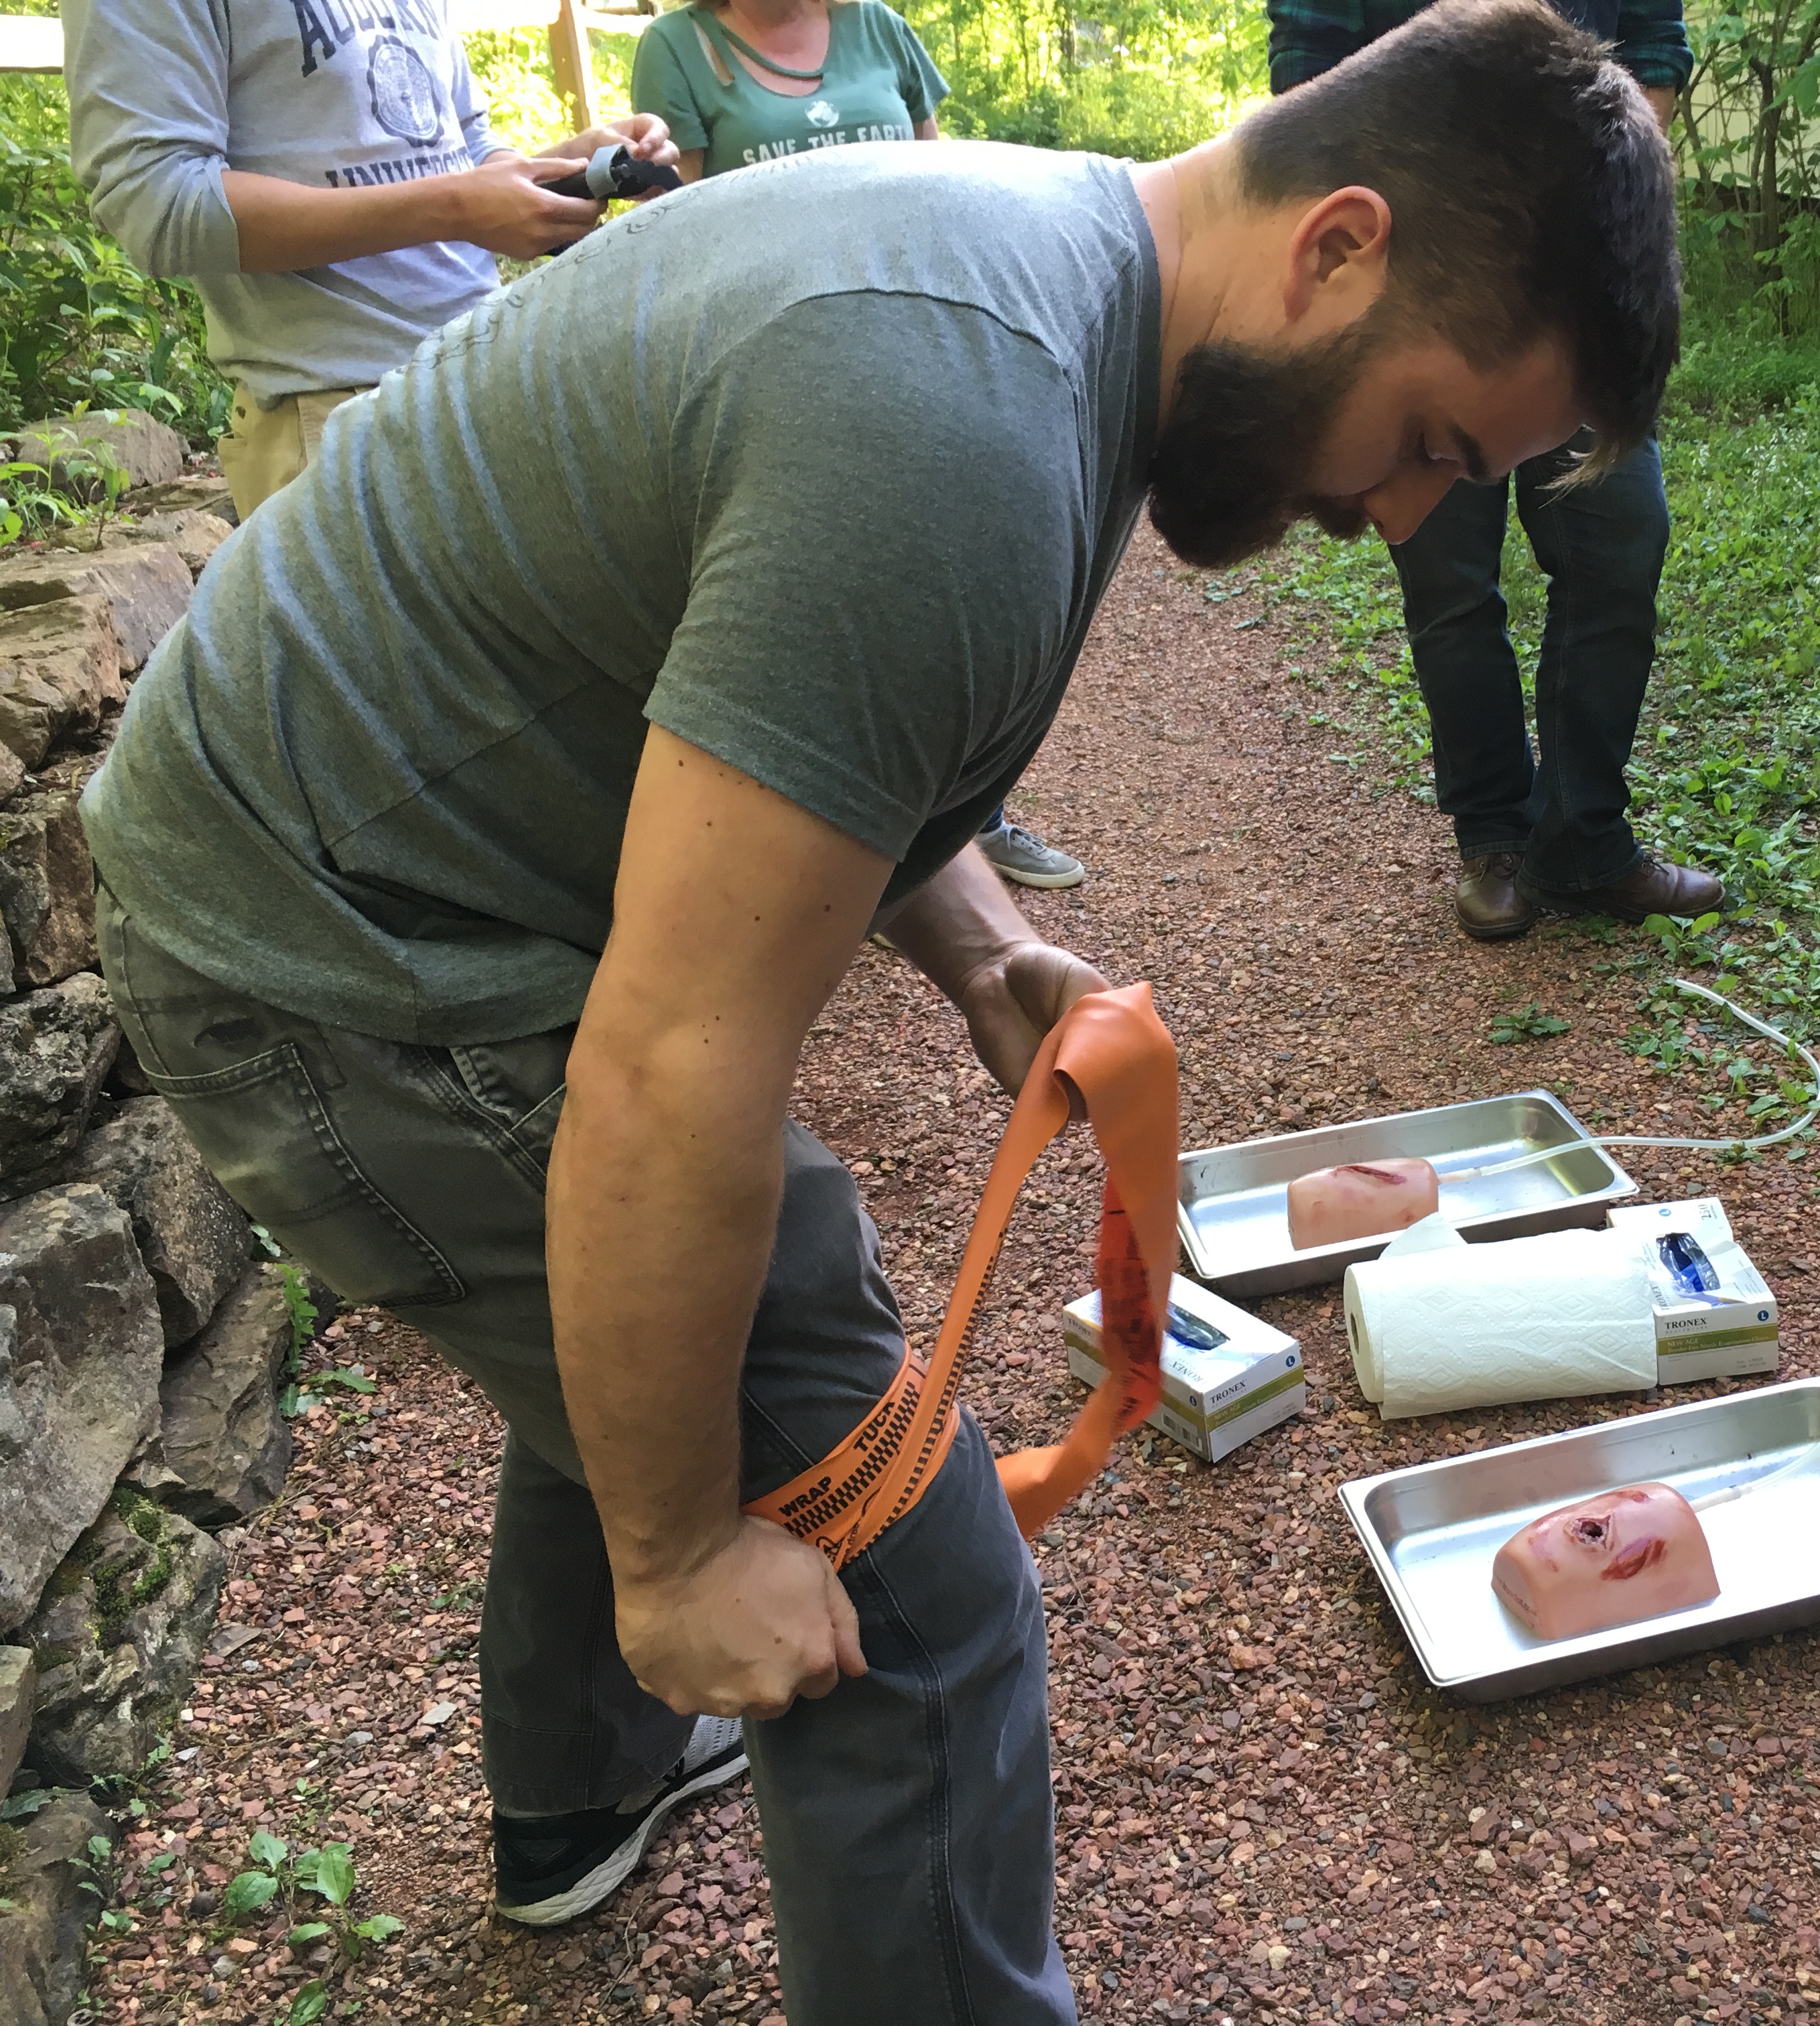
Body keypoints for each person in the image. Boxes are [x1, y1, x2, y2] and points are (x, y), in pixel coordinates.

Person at [80, 1, 1679, 2012]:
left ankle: (579, 1804)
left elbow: (786, 712)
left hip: (341, 860)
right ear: (1338, 247)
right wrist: (679, 1563)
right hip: (338, 960)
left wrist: (990, 950)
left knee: (679, 1338)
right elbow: (673, 1066)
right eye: (1438, 443)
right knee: (905, 1583)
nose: (1412, 516)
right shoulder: (959, 422)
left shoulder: (1040, 267)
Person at [1269, 0, 1713, 941]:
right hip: (1415, 295)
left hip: (1577, 288)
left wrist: (1585, 227)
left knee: (1621, 544)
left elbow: (1655, 53)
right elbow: (1307, 61)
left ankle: (1585, 839)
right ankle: (1493, 840)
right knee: (1452, 587)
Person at [633, 0, 1090, 894]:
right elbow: (679, 235)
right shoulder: (675, 47)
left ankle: (970, 825)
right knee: (805, 608)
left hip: (921, 346)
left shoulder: (878, 27)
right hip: (778, 369)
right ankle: (805, 857)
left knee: (950, 592)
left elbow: (941, 180)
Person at [61, 0, 675, 520]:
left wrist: (565, 171)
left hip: (489, 373)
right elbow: (158, 203)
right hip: (340, 420)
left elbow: (458, 143)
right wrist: (458, 208)